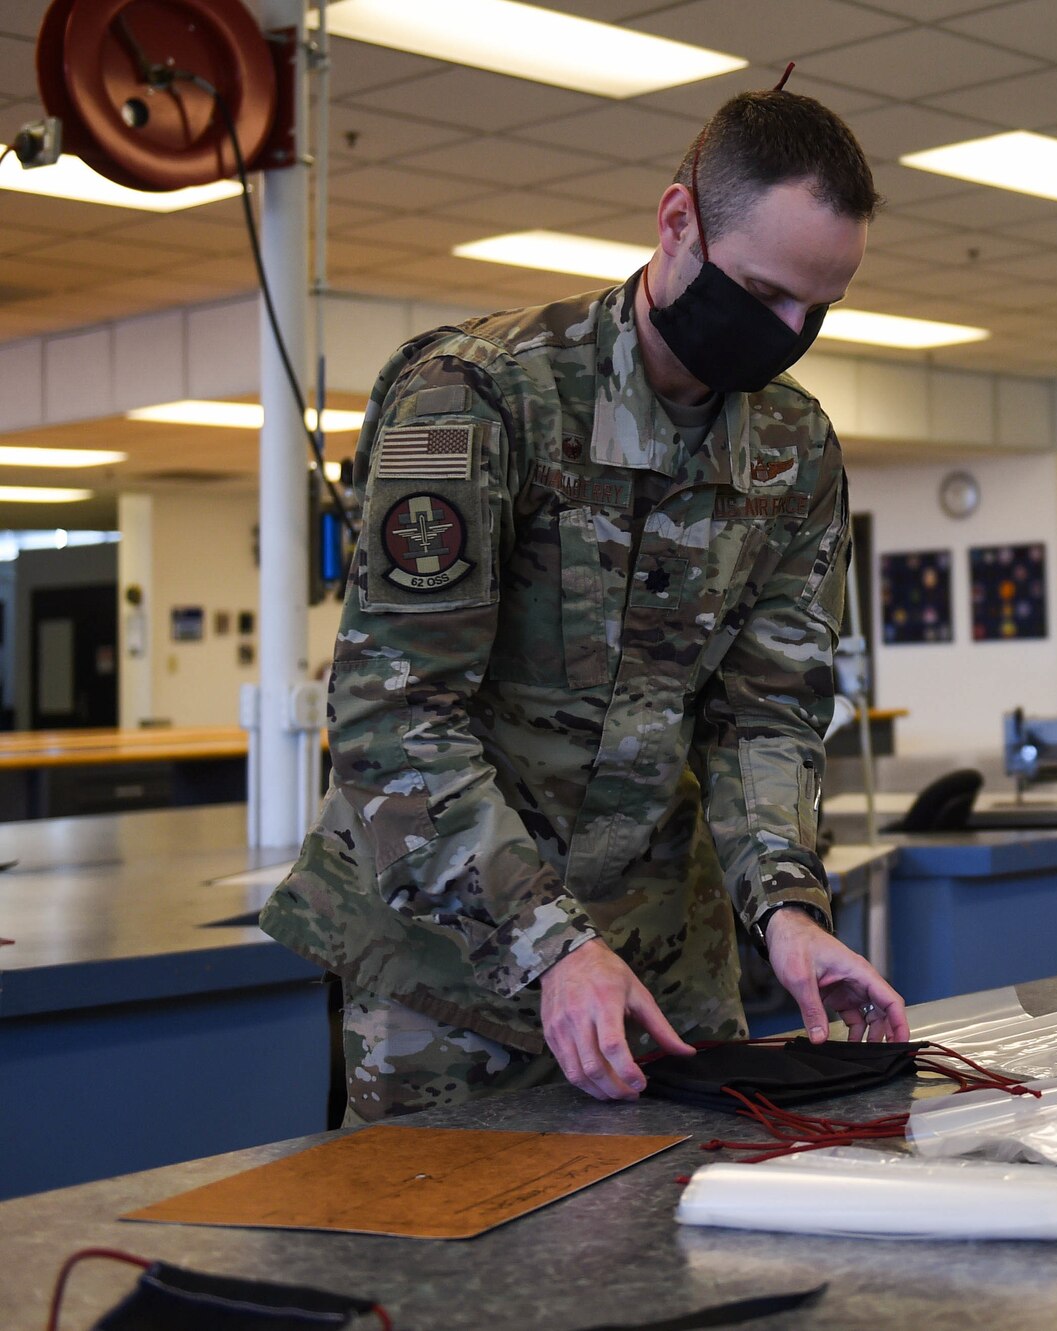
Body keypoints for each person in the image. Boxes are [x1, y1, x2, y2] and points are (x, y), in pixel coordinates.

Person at [261, 83, 909, 1122]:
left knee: (683, 1249)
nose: (786, 331)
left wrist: (784, 903)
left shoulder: (791, 448)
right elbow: (396, 722)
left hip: (666, 970)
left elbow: (767, 713)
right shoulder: (475, 398)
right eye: (762, 292)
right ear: (676, 222)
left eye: (816, 307)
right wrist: (550, 943)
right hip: (454, 968)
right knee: (446, 1269)